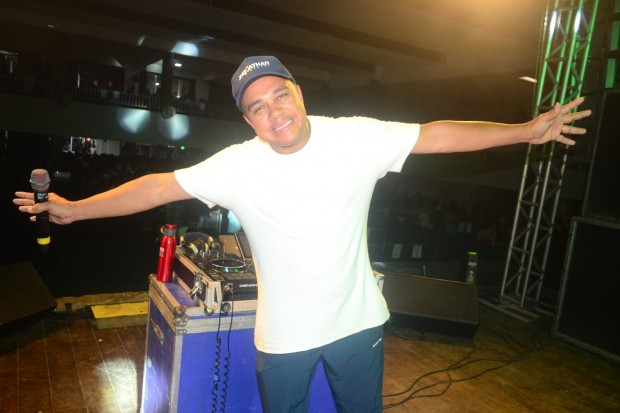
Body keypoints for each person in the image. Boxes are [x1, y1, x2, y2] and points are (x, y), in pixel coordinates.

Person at [14, 56, 591, 412]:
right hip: (283, 337)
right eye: (257, 108)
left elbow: (436, 134)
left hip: (358, 323)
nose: (274, 113)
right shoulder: (237, 165)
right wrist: (77, 210)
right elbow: (159, 186)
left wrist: (525, 131)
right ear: (248, 120)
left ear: (299, 93)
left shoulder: (356, 137)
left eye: (279, 95)